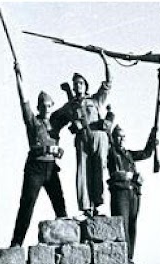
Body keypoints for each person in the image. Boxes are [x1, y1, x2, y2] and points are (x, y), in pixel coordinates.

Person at [10, 62, 67, 247]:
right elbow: (23, 101)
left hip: (51, 168)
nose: (47, 107)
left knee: (60, 205)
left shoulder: (56, 123)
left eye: (49, 105)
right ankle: (16, 242)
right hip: (35, 167)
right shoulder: (33, 122)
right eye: (43, 105)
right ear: (39, 106)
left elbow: (74, 109)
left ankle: (68, 239)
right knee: (27, 205)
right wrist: (19, 77)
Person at [50, 51, 112, 218]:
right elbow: (55, 119)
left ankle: (97, 206)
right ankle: (86, 208)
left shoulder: (95, 101)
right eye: (75, 84)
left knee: (98, 170)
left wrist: (104, 58)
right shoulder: (70, 105)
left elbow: (108, 83)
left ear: (86, 86)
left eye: (80, 83)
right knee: (82, 172)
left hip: (98, 137)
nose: (77, 86)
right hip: (82, 139)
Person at [107, 125, 157, 262]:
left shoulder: (128, 154)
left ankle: (129, 257)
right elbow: (116, 173)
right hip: (120, 193)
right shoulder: (111, 153)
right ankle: (122, 257)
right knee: (122, 225)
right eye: (118, 136)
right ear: (113, 138)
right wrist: (132, 176)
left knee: (132, 226)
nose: (122, 139)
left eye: (123, 136)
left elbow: (146, 153)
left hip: (133, 192)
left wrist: (152, 137)